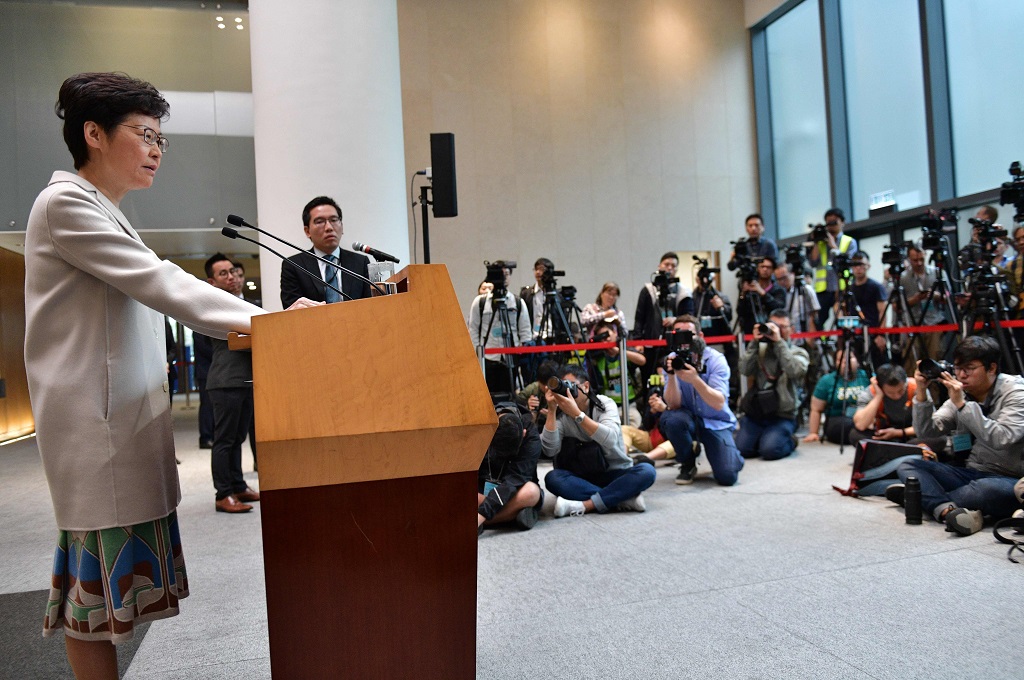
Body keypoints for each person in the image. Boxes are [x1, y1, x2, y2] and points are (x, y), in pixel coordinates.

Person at [23, 72, 320, 678]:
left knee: (106, 598)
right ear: (94, 135)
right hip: (93, 430)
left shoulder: (101, 209)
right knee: (92, 601)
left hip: (117, 422)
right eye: (144, 134)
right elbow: (164, 283)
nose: (157, 149)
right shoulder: (66, 206)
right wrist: (273, 323)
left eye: (162, 138)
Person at [889, 337, 1024, 536]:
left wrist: (963, 405)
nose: (961, 375)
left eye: (969, 368)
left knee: (984, 490)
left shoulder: (1016, 393)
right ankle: (946, 510)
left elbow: (1002, 438)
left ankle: (919, 498)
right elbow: (927, 431)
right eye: (958, 368)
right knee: (909, 465)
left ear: (992, 368)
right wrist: (921, 391)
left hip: (1009, 478)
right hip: (972, 472)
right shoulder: (962, 392)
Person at [541, 365, 656, 517]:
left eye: (570, 386)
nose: (567, 392)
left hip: (614, 472)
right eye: (563, 388)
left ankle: (586, 504)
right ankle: (621, 499)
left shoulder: (603, 404)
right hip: (581, 476)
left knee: (647, 471)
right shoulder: (561, 415)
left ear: (586, 387)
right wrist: (551, 410)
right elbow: (550, 450)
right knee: (552, 478)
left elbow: (610, 440)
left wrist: (577, 414)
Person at [203, 253, 261, 513]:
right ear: (212, 282)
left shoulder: (242, 303)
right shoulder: (214, 307)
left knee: (238, 437)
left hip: (246, 379)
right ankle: (223, 493)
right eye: (223, 274)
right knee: (225, 439)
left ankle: (238, 485)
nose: (232, 277)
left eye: (233, 272)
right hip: (225, 381)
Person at [659, 316, 745, 485]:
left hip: (716, 421)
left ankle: (732, 456)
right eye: (679, 334)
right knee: (671, 419)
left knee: (727, 477)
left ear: (700, 336)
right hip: (687, 419)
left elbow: (719, 403)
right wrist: (672, 376)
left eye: (688, 334)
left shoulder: (715, 360)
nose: (684, 340)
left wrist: (695, 380)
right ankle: (688, 462)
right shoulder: (672, 359)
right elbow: (673, 405)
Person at [736, 310, 808, 460]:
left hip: (783, 415)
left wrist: (779, 342)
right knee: (742, 450)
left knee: (770, 451)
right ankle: (764, 438)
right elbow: (744, 369)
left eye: (783, 327)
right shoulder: (759, 350)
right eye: (774, 326)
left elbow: (794, 370)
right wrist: (754, 343)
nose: (778, 330)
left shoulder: (798, 352)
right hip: (757, 413)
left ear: (791, 330)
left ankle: (789, 441)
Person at [280, 195, 372, 307]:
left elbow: (371, 304)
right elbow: (291, 309)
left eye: (334, 220)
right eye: (320, 222)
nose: (329, 227)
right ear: (307, 231)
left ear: (342, 226)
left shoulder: (360, 262)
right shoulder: (293, 265)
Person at [467, 264, 532, 399]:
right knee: (487, 397)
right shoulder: (480, 302)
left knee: (510, 396)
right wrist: (477, 354)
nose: (503, 277)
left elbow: (525, 331)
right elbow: (473, 329)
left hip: (510, 357)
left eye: (506, 274)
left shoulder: (517, 302)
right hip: (488, 357)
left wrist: (520, 353)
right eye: (500, 274)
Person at [849, 363, 944, 454]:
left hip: (911, 434)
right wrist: (878, 396)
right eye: (891, 393)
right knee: (855, 435)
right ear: (880, 386)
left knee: (939, 438)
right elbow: (861, 425)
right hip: (884, 435)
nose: (897, 396)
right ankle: (904, 452)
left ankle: (893, 453)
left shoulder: (917, 388)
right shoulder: (871, 392)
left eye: (901, 391)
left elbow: (930, 425)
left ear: (905, 382)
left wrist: (898, 433)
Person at [477, 402, 543, 533]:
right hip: (483, 489)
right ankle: (511, 516)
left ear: (523, 433)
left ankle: (483, 520)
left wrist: (480, 516)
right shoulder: (482, 425)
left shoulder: (531, 436)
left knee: (531, 492)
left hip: (515, 489)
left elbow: (515, 479)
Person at [899, 242, 950, 374]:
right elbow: (898, 305)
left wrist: (936, 295)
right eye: (915, 260)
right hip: (913, 324)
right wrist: (915, 299)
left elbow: (949, 297)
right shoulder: (903, 278)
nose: (919, 263)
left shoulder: (937, 274)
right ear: (909, 259)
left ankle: (935, 393)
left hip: (934, 323)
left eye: (922, 259)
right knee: (912, 364)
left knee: (934, 363)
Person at [802, 346, 871, 445]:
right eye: (840, 359)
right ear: (836, 363)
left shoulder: (867, 376)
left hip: (865, 417)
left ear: (857, 360)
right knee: (850, 426)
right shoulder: (827, 380)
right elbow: (816, 409)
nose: (845, 362)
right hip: (838, 420)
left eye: (849, 358)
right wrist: (813, 432)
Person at [586, 318, 646, 426]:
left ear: (614, 332)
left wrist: (619, 351)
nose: (606, 339)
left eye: (607, 334)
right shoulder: (598, 357)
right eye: (602, 337)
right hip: (608, 406)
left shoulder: (624, 349)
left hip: (630, 404)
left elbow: (642, 360)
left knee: (634, 425)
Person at [808, 207, 858, 329]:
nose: (830, 226)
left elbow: (846, 261)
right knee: (817, 321)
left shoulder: (849, 241)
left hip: (842, 287)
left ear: (842, 222)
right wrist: (816, 240)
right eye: (828, 223)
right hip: (822, 289)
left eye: (834, 222)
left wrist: (832, 245)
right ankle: (821, 346)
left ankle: (842, 347)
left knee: (842, 322)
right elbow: (813, 262)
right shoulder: (820, 243)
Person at [632, 251, 694, 342]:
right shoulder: (648, 290)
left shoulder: (684, 292)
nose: (669, 268)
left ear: (677, 269)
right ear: (659, 266)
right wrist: (637, 341)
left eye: (673, 266)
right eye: (666, 264)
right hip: (652, 340)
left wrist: (676, 320)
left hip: (677, 340)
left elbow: (690, 317)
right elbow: (639, 318)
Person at [848, 251, 890, 368]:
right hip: (856, 335)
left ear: (868, 266)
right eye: (855, 265)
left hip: (874, 334)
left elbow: (882, 311)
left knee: (880, 366)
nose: (858, 268)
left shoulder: (876, 286)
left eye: (861, 264)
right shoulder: (849, 289)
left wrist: (881, 335)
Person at [736, 256, 785, 336]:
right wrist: (743, 294)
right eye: (762, 267)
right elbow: (740, 312)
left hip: (772, 331)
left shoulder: (779, 290)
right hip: (751, 332)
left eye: (768, 267)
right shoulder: (750, 290)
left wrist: (762, 293)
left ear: (773, 270)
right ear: (758, 269)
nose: (765, 269)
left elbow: (778, 308)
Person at [520, 257, 555, 338]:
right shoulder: (526, 293)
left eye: (542, 269)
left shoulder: (556, 294)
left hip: (551, 336)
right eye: (536, 269)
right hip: (533, 336)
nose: (538, 272)